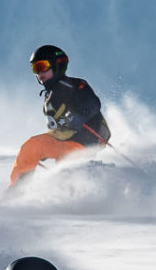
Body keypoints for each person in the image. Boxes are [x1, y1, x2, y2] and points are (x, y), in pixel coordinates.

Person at [9, 45, 113, 185]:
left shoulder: (75, 85)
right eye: (35, 68)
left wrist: (76, 117)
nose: (39, 73)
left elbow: (93, 104)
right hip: (64, 142)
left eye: (42, 66)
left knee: (66, 170)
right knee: (32, 147)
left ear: (57, 65)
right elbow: (58, 127)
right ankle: (17, 191)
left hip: (83, 142)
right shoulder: (49, 96)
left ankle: (80, 195)